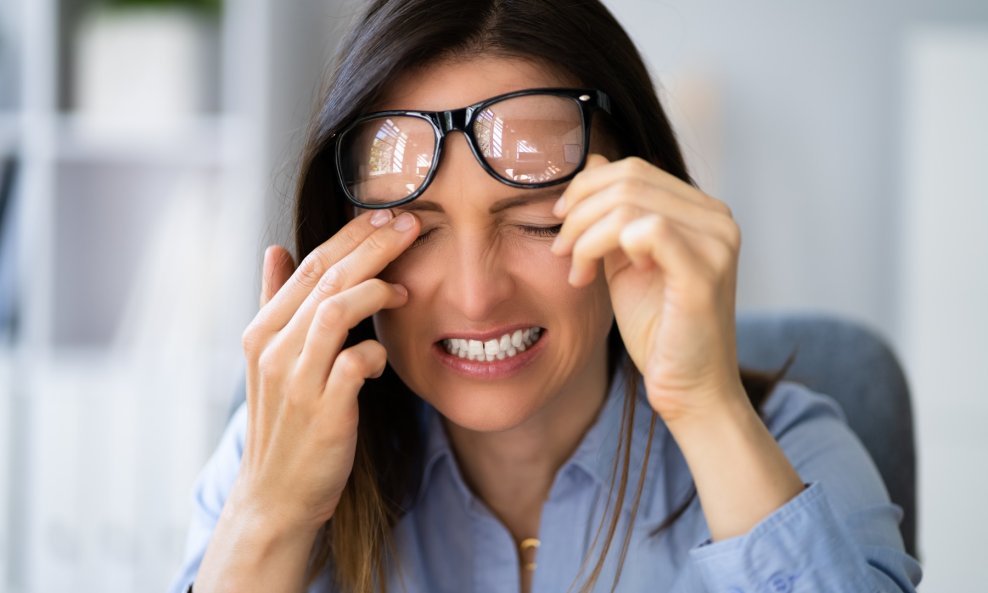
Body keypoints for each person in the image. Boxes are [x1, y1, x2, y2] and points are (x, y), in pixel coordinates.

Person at [168, 1, 922, 592]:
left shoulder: (793, 451)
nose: (475, 294)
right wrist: (268, 516)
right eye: (417, 231)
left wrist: (707, 407)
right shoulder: (269, 460)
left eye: (534, 221)